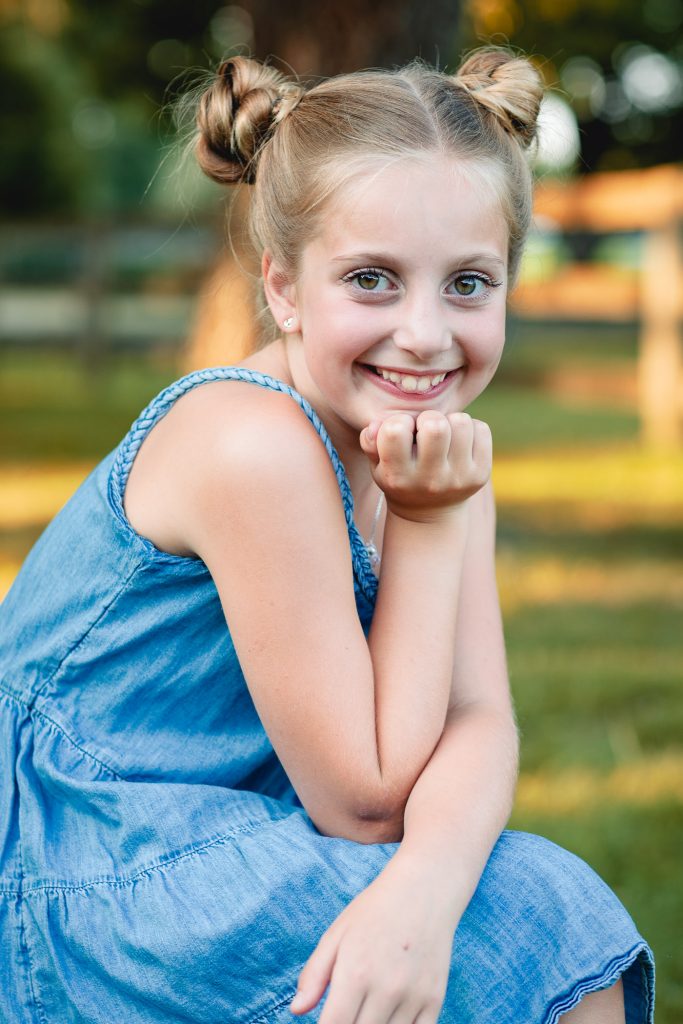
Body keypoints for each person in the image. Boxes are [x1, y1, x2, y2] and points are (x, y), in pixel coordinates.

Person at [0, 46, 654, 1024]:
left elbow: (478, 721)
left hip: (228, 829)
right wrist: (430, 525)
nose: (426, 334)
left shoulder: (429, 452)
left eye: (467, 283)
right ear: (283, 287)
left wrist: (423, 889)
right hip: (85, 869)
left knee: (508, 905)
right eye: (372, 279)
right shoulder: (252, 444)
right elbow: (362, 802)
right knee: (541, 914)